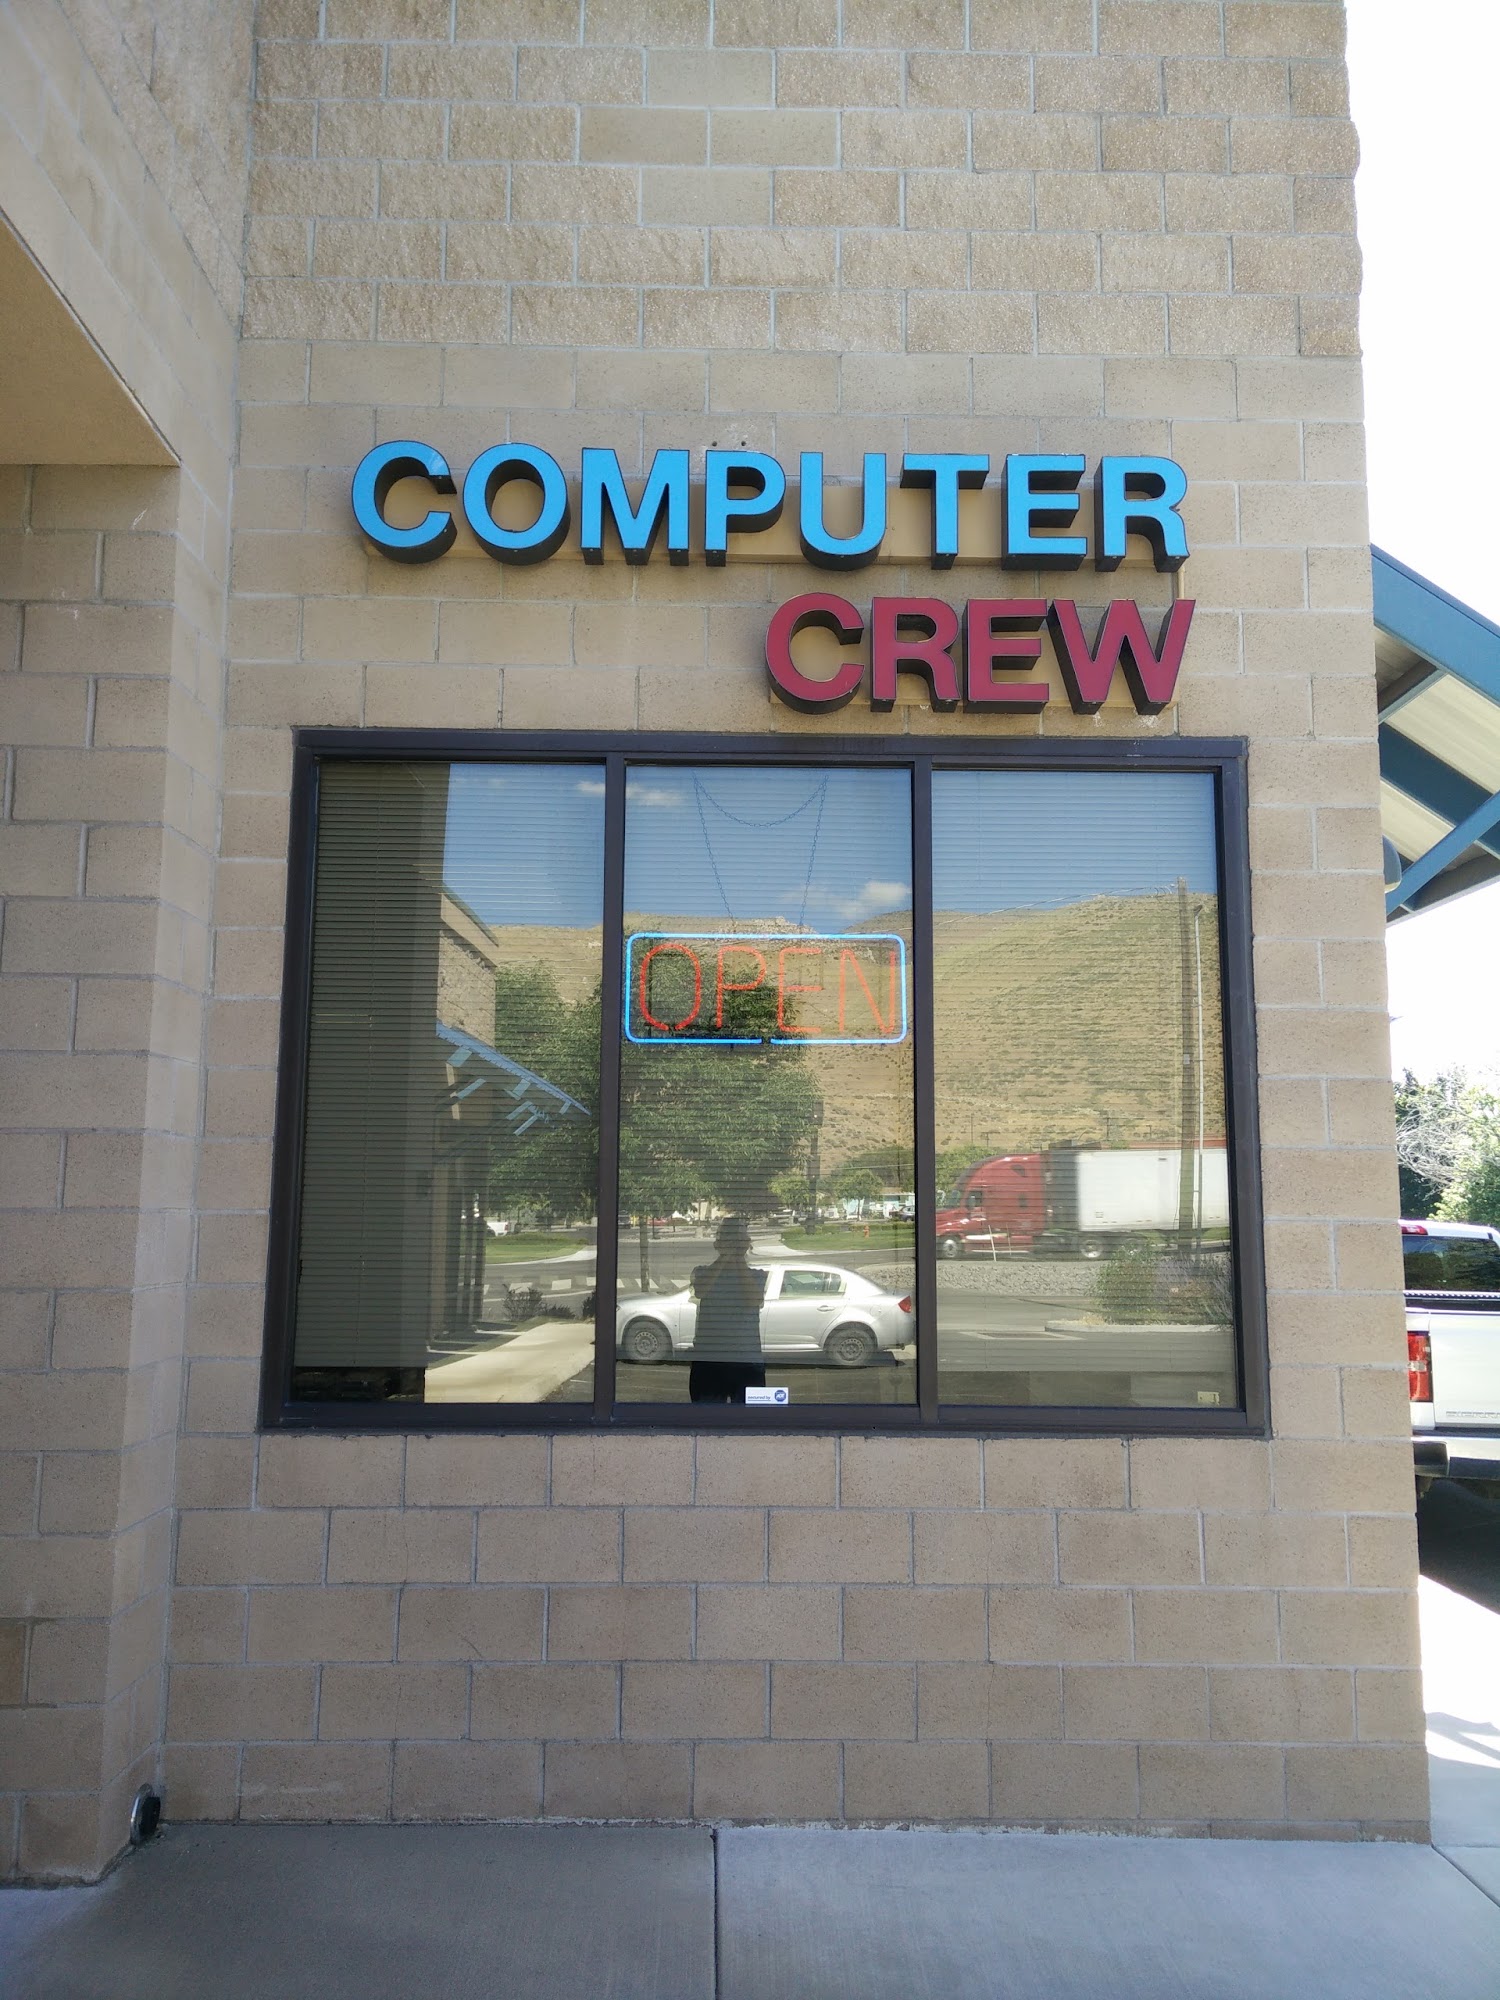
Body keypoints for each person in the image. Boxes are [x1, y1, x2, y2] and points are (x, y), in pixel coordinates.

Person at [688, 1215, 767, 1404]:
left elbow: (754, 1299)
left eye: (740, 1241)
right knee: (707, 1415)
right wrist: (726, 1256)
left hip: (747, 1361)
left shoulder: (757, 1276)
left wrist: (737, 1257)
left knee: (751, 1417)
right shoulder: (702, 1272)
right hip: (709, 1360)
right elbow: (701, 1290)